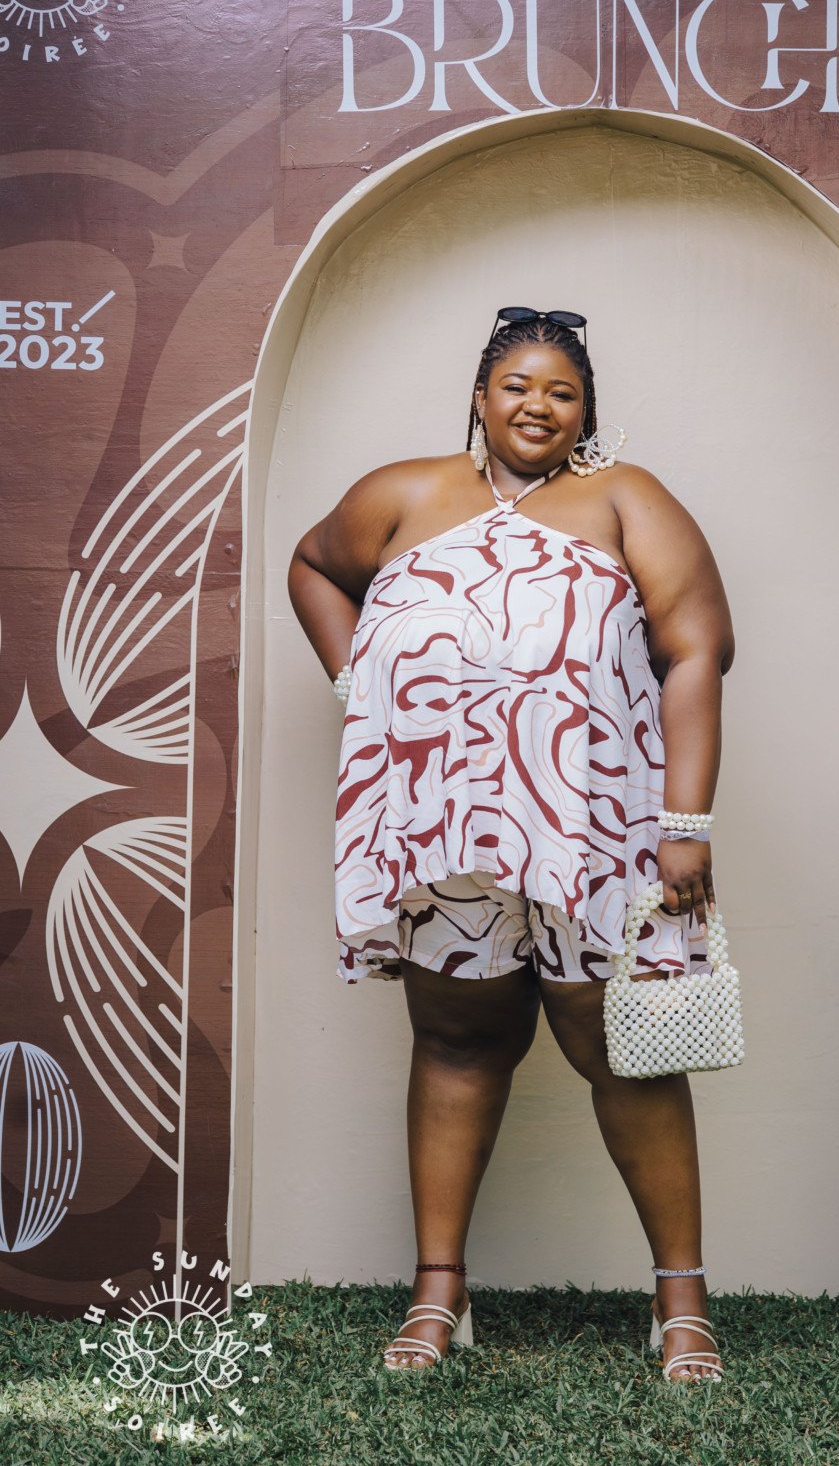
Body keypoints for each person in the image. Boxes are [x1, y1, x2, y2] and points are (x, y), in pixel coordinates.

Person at [288, 306, 736, 1382]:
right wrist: (362, 687)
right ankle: (439, 1291)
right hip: (441, 829)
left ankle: (680, 1303)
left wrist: (684, 825)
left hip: (595, 831)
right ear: (480, 397)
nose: (538, 405)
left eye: (561, 391)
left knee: (622, 1047)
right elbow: (312, 565)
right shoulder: (403, 493)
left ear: (586, 410)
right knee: (455, 1042)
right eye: (517, 386)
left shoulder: (626, 499)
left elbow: (697, 650)